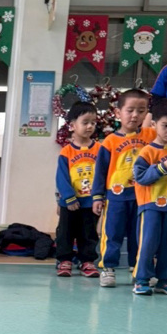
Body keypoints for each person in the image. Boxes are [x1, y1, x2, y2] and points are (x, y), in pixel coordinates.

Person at [91, 88, 154, 287]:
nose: (135, 115)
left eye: (141, 111)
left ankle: (138, 269)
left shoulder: (151, 136)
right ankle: (108, 268)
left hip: (143, 197)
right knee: (112, 233)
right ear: (118, 113)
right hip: (116, 196)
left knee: (139, 235)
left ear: (147, 113)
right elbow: (100, 171)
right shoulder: (109, 141)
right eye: (130, 110)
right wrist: (97, 196)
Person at [130, 99, 167, 296]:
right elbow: (140, 177)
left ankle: (165, 280)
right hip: (151, 207)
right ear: (154, 124)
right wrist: (160, 168)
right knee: (148, 244)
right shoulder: (147, 152)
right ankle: (141, 279)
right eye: (165, 126)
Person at [55, 102, 100, 277]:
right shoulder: (66, 152)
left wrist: (99, 197)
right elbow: (61, 177)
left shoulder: (100, 150)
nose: (90, 126)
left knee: (89, 233)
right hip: (70, 202)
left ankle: (87, 261)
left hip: (91, 202)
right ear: (73, 125)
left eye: (93, 122)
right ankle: (64, 260)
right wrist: (69, 197)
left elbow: (104, 174)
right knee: (65, 232)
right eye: (85, 122)